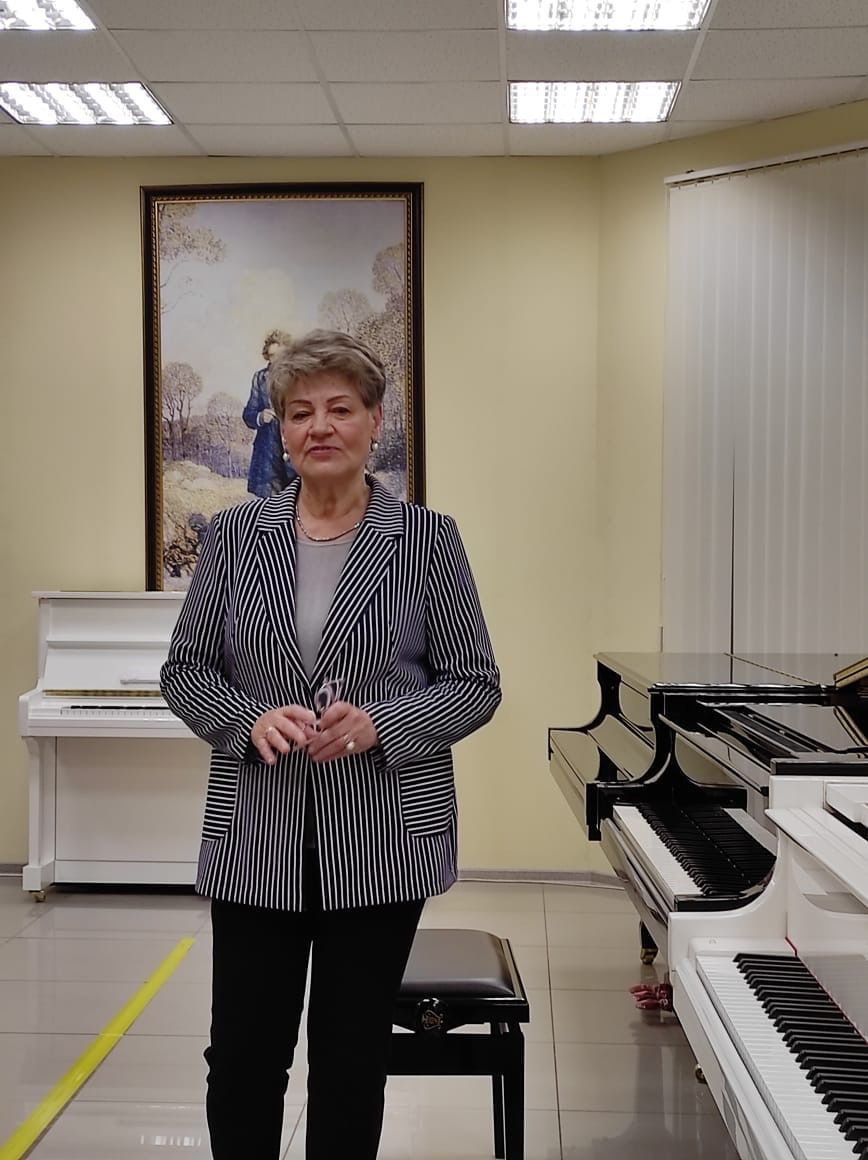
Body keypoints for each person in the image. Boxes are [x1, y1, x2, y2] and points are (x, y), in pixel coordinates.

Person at [160, 328, 501, 1160]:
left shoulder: (429, 540)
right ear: (279, 428)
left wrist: (384, 722)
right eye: (300, 412)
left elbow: (475, 682)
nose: (319, 427)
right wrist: (246, 720)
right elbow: (186, 670)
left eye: (340, 409)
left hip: (382, 837)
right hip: (257, 834)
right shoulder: (235, 537)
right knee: (242, 1059)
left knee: (350, 1062)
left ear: (374, 422)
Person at [242, 328, 296, 496]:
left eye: (280, 355)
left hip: (295, 448)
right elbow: (248, 414)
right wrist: (260, 416)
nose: (276, 360)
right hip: (267, 455)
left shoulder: (299, 377)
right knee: (269, 504)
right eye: (272, 356)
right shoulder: (260, 378)